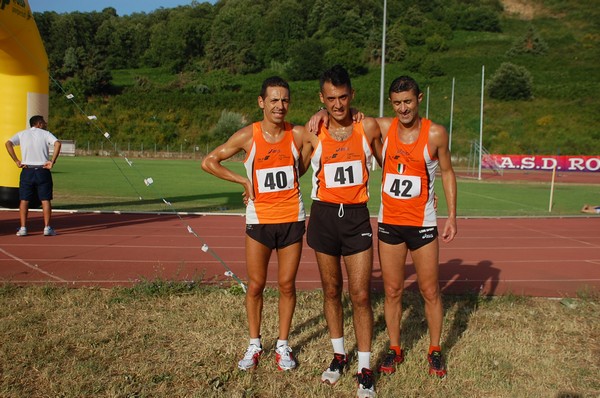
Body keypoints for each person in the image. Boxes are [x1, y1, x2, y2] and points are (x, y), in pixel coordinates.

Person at [201, 76, 306, 372]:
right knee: (256, 285)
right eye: (274, 100)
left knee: (287, 285)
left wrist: (323, 114)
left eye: (285, 99)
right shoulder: (248, 135)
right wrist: (243, 180)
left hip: (292, 219)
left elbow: (326, 132)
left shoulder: (296, 134)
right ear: (261, 102)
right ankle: (255, 343)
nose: (280, 105)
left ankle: (283, 345)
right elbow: (209, 161)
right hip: (260, 220)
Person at [301, 65, 382, 398]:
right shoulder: (312, 131)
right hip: (323, 217)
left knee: (360, 295)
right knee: (331, 290)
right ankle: (338, 356)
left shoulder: (368, 126)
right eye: (330, 99)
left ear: (352, 95)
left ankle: (364, 369)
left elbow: (398, 141)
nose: (337, 104)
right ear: (322, 98)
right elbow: (297, 169)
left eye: (343, 97)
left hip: (356, 218)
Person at [375, 76, 457, 378]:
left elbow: (447, 172)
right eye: (397, 103)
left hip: (422, 224)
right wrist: (320, 114)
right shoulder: (384, 128)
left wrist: (452, 216)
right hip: (390, 224)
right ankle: (395, 348)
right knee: (393, 290)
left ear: (419, 98)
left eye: (408, 101)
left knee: (430, 290)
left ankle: (435, 349)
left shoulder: (435, 133)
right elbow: (350, 117)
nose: (403, 108)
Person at [5, 115, 62, 237]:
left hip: (27, 170)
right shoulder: (46, 134)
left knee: (24, 199)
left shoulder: (22, 134)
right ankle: (47, 227)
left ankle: (23, 227)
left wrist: (16, 160)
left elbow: (8, 143)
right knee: (45, 199)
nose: (45, 124)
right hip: (42, 170)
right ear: (39, 123)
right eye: (44, 122)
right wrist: (53, 161)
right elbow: (57, 143)